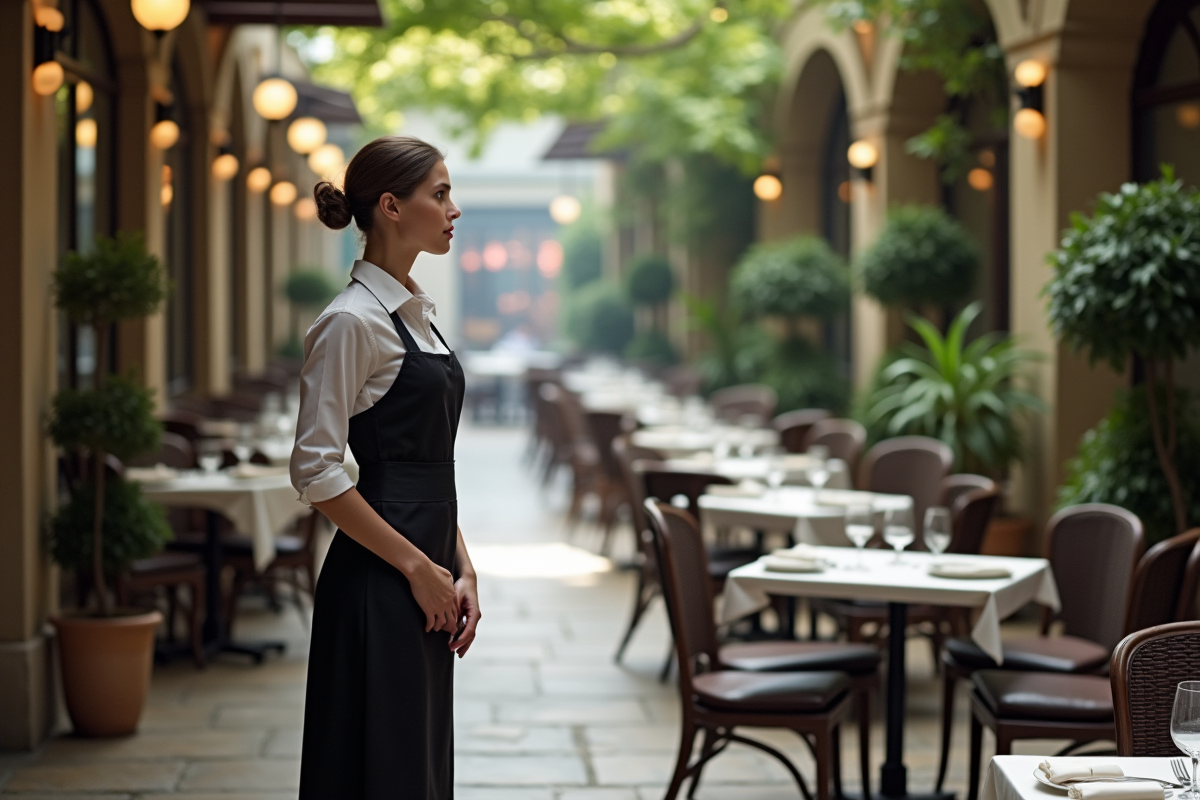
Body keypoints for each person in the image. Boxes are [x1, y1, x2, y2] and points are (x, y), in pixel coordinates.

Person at [289, 135, 479, 799]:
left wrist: (461, 567)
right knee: (381, 769)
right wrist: (418, 568)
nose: (454, 209)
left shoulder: (417, 314)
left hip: (427, 571)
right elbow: (316, 471)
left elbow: (427, 467)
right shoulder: (351, 321)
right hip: (381, 578)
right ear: (393, 207)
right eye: (440, 193)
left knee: (417, 766)